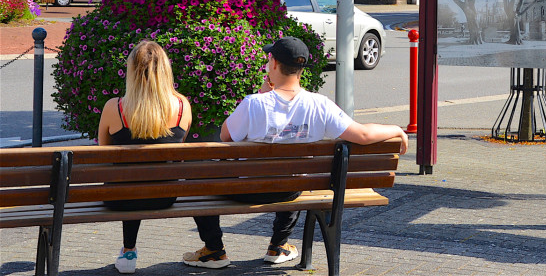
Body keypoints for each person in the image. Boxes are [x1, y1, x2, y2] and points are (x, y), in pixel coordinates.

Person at [183, 36, 408, 268]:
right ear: (301, 69)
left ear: (274, 64)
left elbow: (225, 137)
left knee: (201, 177)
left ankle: (214, 250)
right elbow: (362, 135)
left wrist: (261, 95)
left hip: (245, 190)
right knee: (295, 173)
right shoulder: (320, 104)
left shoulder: (254, 104)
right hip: (289, 192)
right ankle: (278, 246)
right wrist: (396, 130)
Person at [97, 40, 192, 274]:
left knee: (129, 180)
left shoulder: (114, 107)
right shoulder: (182, 106)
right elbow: (179, 151)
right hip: (164, 195)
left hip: (119, 198)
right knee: (141, 180)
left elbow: (102, 151)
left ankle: (129, 251)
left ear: (132, 71)